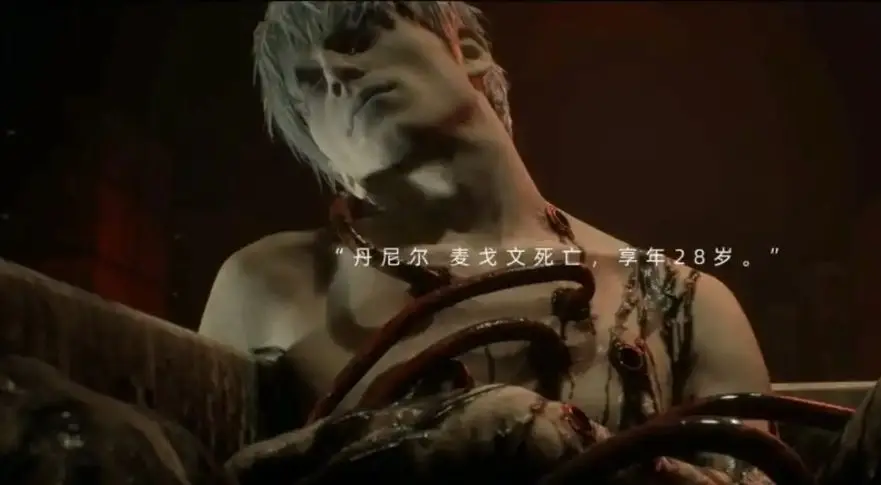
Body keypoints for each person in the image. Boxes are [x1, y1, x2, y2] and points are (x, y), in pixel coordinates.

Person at [199, 2, 772, 482]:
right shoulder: (269, 285)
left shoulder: (680, 300)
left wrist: (540, 435)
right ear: (318, 146)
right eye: (308, 86)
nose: (335, 75)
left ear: (467, 49)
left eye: (356, 40)